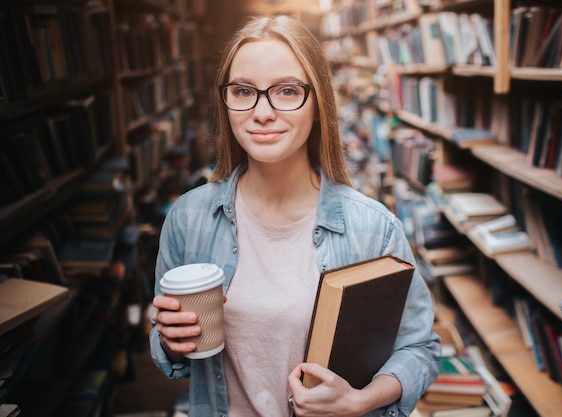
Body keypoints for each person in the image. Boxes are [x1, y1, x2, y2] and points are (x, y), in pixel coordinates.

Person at [150, 14, 440, 417]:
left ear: (319, 104)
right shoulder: (188, 218)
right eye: (244, 91)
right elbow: (170, 353)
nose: (262, 112)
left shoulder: (372, 228)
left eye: (287, 91)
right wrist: (169, 339)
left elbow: (419, 348)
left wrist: (360, 401)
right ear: (226, 101)